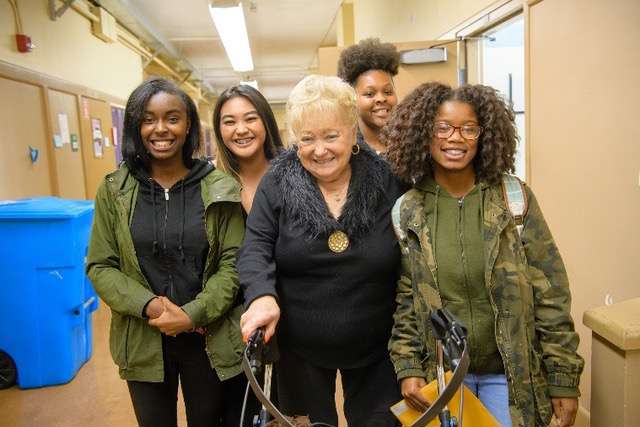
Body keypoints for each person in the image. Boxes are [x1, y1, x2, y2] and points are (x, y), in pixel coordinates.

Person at [383, 82, 584, 427]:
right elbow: (406, 301)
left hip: (508, 377)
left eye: (469, 129)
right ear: (424, 134)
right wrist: (409, 366)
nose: (456, 138)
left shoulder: (513, 199)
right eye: (443, 128)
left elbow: (550, 294)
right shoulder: (408, 211)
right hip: (444, 376)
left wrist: (562, 377)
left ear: (484, 135)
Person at [237, 75, 403, 427]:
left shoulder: (389, 179)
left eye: (331, 136)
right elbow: (255, 247)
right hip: (299, 347)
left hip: (379, 345)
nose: (319, 150)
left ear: (352, 133)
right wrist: (261, 296)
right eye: (307, 139)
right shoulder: (277, 182)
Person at [86, 78, 247, 427]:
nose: (160, 128)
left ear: (188, 125)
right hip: (142, 338)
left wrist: (192, 314)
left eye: (172, 118)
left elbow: (233, 264)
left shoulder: (220, 187)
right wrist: (151, 306)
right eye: (148, 119)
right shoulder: (114, 190)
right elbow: (101, 265)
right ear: (136, 126)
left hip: (208, 337)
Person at [213, 84, 285, 213]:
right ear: (219, 130)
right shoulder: (208, 182)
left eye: (250, 119)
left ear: (266, 122)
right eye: (229, 122)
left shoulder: (294, 178)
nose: (241, 130)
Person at [337, 38, 400, 153]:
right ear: (352, 98)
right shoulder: (346, 151)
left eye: (388, 92)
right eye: (370, 94)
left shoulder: (406, 145)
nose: (381, 99)